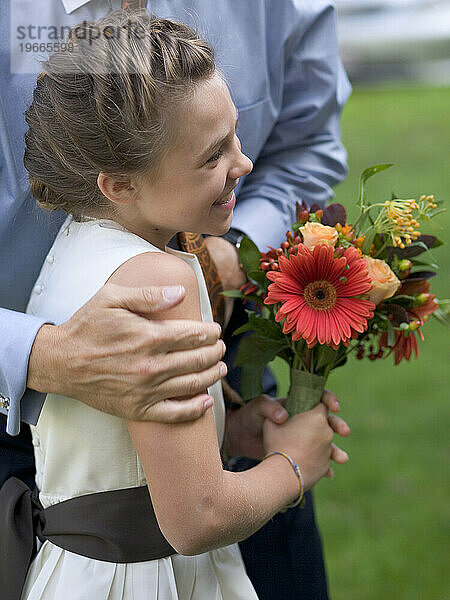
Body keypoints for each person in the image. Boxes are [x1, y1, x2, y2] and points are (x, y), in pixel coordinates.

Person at [0, 1, 351, 598]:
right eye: (213, 153)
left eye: (238, 135)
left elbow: (108, 451)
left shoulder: (76, 246)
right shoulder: (160, 285)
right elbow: (199, 519)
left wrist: (228, 433)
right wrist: (292, 468)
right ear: (119, 183)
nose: (244, 163)